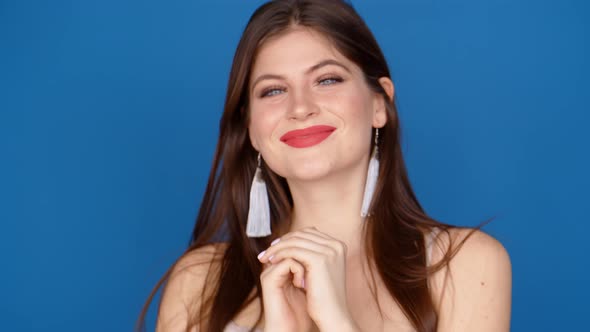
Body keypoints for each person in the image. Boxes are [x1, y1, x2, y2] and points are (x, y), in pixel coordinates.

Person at [137, 0, 512, 331]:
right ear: (251, 128)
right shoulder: (199, 281)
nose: (300, 107)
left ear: (380, 104)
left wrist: (337, 322)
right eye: (273, 90)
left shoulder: (466, 265)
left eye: (327, 79)